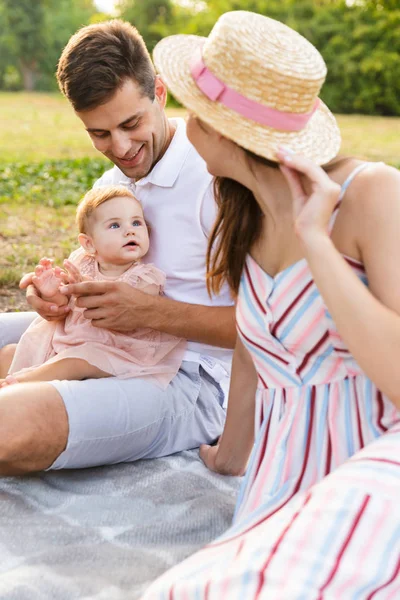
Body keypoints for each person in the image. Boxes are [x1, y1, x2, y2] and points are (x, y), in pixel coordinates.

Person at [139, 10, 400, 597]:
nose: (182, 123)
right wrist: (231, 455)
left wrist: (317, 239)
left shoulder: (371, 194)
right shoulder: (241, 214)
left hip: (378, 468)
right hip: (280, 484)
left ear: (222, 130)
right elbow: (253, 351)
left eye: (191, 109)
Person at [0, 19, 235, 475]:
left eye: (131, 123)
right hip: (103, 339)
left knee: (9, 426)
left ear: (160, 93)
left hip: (194, 375)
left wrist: (148, 313)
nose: (122, 148)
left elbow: (268, 327)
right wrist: (55, 299)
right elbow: (95, 278)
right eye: (100, 134)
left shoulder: (216, 178)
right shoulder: (113, 183)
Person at [0, 186, 185, 389]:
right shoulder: (82, 261)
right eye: (115, 225)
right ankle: (11, 395)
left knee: (78, 360)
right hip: (72, 337)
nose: (130, 230)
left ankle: (17, 385)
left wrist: (86, 289)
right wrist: (52, 292)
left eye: (136, 222)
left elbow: (134, 312)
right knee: (10, 352)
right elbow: (64, 306)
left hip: (114, 348)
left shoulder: (144, 277)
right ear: (89, 244)